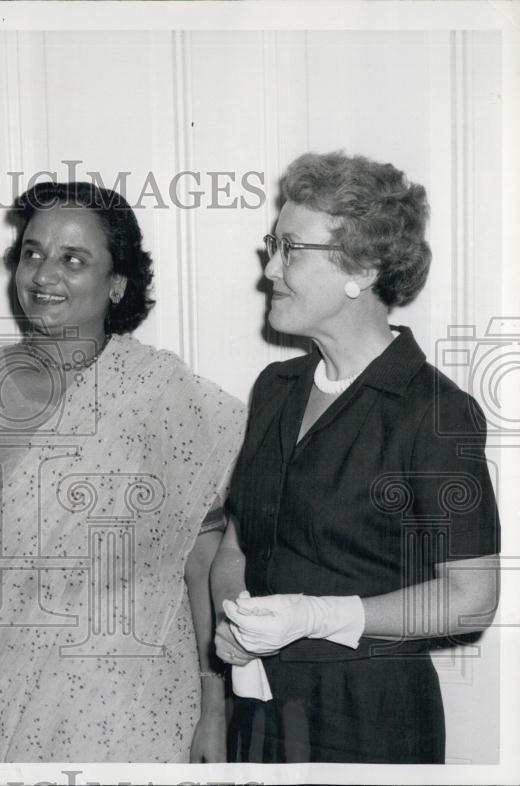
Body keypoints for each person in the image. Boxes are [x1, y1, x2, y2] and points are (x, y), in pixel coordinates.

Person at [0, 181, 245, 762]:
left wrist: (215, 709)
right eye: (32, 253)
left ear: (117, 284)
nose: (43, 276)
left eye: (73, 259)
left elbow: (201, 562)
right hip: (2, 707)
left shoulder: (162, 393)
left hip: (144, 709)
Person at [212, 151, 501, 763]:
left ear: (363, 268)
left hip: (371, 717)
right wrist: (237, 623)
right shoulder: (276, 389)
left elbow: (472, 596)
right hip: (260, 708)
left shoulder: (432, 411)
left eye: (291, 248)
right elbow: (237, 545)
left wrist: (317, 615)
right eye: (274, 245)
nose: (270, 268)